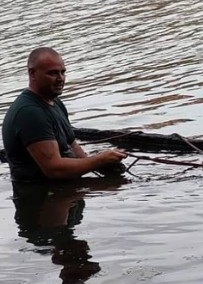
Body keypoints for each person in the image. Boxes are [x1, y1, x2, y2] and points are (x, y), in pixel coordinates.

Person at [1, 47, 128, 184]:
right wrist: (99, 160)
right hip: (42, 197)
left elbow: (73, 146)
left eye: (63, 72)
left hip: (68, 191)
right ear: (32, 74)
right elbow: (54, 169)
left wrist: (103, 164)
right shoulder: (29, 112)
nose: (60, 79)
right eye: (53, 73)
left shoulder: (55, 102)